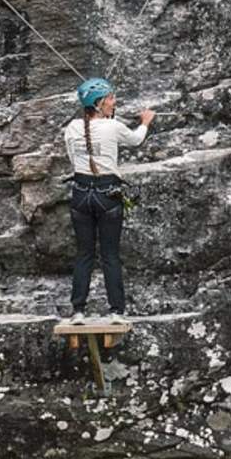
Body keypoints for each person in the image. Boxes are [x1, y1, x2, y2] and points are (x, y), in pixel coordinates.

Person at [62, 78, 152, 320]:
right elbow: (135, 140)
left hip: (81, 194)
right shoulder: (113, 127)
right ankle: (116, 310)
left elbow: (74, 159)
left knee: (84, 254)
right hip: (107, 192)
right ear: (100, 103)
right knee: (110, 254)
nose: (114, 102)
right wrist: (145, 122)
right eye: (111, 98)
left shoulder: (71, 128)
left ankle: (78, 310)